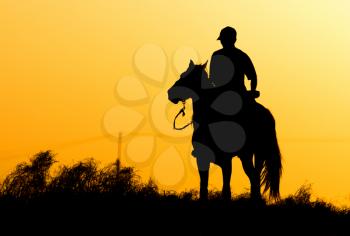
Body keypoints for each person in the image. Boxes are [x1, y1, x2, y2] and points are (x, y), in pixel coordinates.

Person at [209, 26, 259, 101]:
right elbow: (253, 77)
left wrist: (252, 93)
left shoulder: (217, 55)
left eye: (224, 40)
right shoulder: (241, 55)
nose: (223, 42)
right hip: (228, 94)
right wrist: (252, 92)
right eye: (223, 40)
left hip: (236, 95)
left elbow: (253, 77)